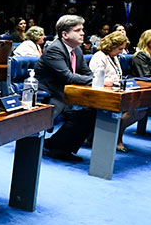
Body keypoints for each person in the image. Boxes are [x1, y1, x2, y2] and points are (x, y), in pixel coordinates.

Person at [36, 15, 118, 162]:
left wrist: (99, 80)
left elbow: (86, 73)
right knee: (82, 112)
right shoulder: (54, 49)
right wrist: (101, 82)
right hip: (50, 94)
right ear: (65, 34)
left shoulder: (77, 50)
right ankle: (57, 147)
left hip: (68, 93)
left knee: (91, 110)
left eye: (82, 29)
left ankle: (58, 146)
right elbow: (67, 77)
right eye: (78, 30)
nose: (82, 33)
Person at [89, 31, 143, 152]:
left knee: (141, 109)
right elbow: (95, 78)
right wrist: (109, 81)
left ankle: (116, 134)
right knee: (131, 110)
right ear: (111, 45)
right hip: (102, 94)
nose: (121, 52)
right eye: (119, 48)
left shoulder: (114, 57)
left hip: (115, 91)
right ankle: (116, 138)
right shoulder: (99, 56)